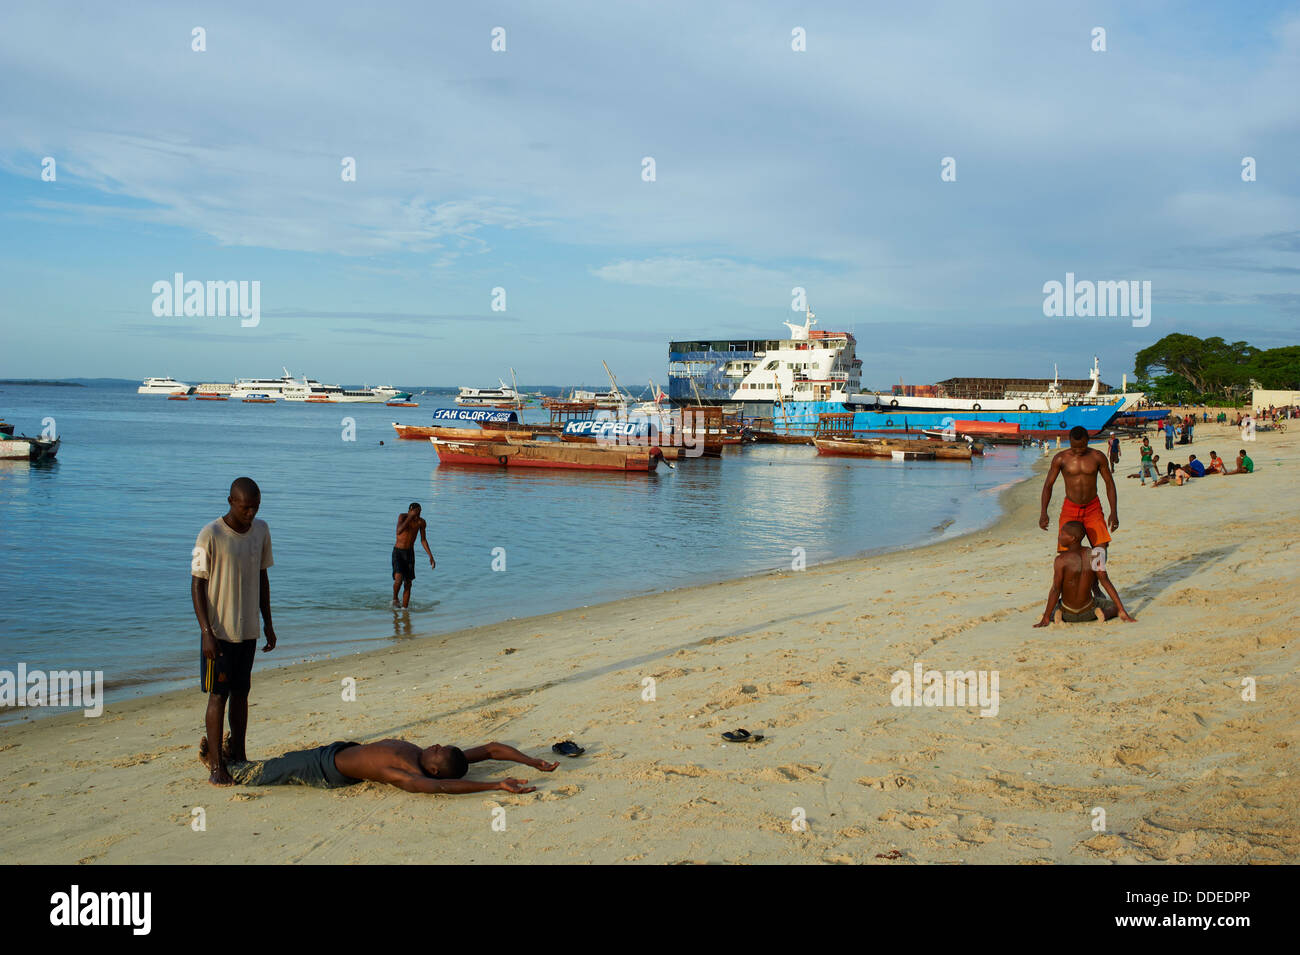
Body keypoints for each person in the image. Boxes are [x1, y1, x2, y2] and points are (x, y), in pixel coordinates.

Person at [192, 477, 276, 786]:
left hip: (248, 630)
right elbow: (197, 585)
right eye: (245, 508)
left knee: (242, 694)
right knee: (219, 695)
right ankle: (217, 767)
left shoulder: (261, 531)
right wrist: (205, 632)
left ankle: (238, 754)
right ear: (230, 501)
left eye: (255, 508)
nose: (250, 513)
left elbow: (262, 577)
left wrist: (267, 622)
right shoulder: (210, 535)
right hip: (219, 634)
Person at [198, 735, 558, 794]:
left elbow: (438, 788)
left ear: (433, 767)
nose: (435, 745)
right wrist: (533, 761)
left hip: (324, 769)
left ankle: (223, 766)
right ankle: (230, 759)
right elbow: (492, 749)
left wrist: (494, 786)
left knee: (270, 771)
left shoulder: (408, 774)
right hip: (338, 749)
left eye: (438, 751)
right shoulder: (430, 759)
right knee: (281, 761)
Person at [1039, 425, 1118, 561]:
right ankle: (1074, 581)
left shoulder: (1097, 457)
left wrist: (1113, 512)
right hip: (1070, 508)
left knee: (1100, 546)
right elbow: (1048, 486)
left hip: (1093, 507)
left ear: (1087, 441)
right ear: (1069, 441)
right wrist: (1043, 512)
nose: (1078, 451)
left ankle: (1098, 578)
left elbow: (1109, 484)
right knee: (1066, 551)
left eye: (1081, 447)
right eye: (1075, 447)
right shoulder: (1061, 458)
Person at [1034, 521, 1135, 626]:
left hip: (1067, 614)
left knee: (1053, 608)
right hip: (1089, 612)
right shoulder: (1096, 554)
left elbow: (1056, 589)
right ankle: (1104, 613)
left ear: (1072, 538)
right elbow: (1105, 581)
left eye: (1062, 534)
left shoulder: (1061, 560)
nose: (1059, 537)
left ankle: (1055, 615)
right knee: (1114, 606)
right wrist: (1121, 609)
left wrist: (1046, 617)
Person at [392, 502, 435, 609]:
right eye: (416, 513)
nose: (418, 515)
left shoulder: (421, 522)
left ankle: (404, 610)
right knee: (398, 579)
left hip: (410, 553)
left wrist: (430, 556)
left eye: (419, 512)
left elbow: (423, 540)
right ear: (409, 511)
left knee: (408, 583)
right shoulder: (403, 517)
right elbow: (398, 531)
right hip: (398, 552)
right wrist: (410, 517)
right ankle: (395, 598)